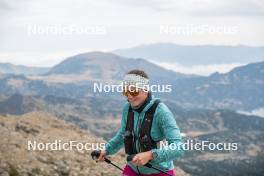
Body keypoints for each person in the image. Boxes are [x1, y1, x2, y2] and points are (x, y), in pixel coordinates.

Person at [97, 69, 184, 176]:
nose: (129, 96)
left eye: (133, 91)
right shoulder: (127, 108)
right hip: (132, 169)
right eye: (125, 92)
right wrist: (106, 150)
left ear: (145, 90)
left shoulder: (162, 112)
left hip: (159, 171)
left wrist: (151, 155)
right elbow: (123, 134)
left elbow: (179, 147)